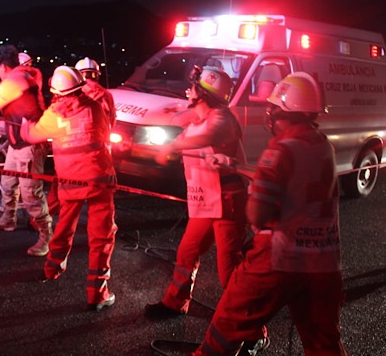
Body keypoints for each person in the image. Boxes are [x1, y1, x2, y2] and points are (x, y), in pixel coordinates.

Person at [192, 72, 347, 356]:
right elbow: (296, 183)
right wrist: (236, 165)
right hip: (323, 260)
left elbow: (258, 214)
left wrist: (255, 191)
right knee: (324, 343)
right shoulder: (324, 146)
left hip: (278, 260)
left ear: (281, 111)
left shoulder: (279, 149)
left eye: (273, 107)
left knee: (225, 328)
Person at [144, 65, 248, 319]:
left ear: (203, 94)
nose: (188, 91)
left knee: (228, 269)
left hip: (227, 201)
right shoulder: (200, 120)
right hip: (208, 200)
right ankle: (175, 302)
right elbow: (189, 141)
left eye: (193, 87)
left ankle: (252, 329)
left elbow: (201, 138)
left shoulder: (221, 119)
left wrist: (169, 146)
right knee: (187, 252)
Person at [20, 66, 118, 312]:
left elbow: (30, 135)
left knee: (64, 225)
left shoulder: (54, 115)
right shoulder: (95, 107)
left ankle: (52, 268)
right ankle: (97, 293)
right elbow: (107, 130)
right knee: (102, 237)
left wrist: (25, 118)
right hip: (99, 180)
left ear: (55, 90)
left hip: (70, 181)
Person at [0, 44, 52, 257]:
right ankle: (8, 219)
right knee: (8, 183)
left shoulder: (16, 79)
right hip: (18, 142)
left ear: (2, 66)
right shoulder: (24, 76)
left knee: (31, 194)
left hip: (29, 145)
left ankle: (46, 236)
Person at [47, 57, 117, 217]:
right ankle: (104, 232)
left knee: (62, 189)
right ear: (97, 75)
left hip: (68, 152)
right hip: (99, 154)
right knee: (101, 199)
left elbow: (55, 116)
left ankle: (42, 220)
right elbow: (111, 122)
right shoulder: (106, 95)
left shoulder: (70, 91)